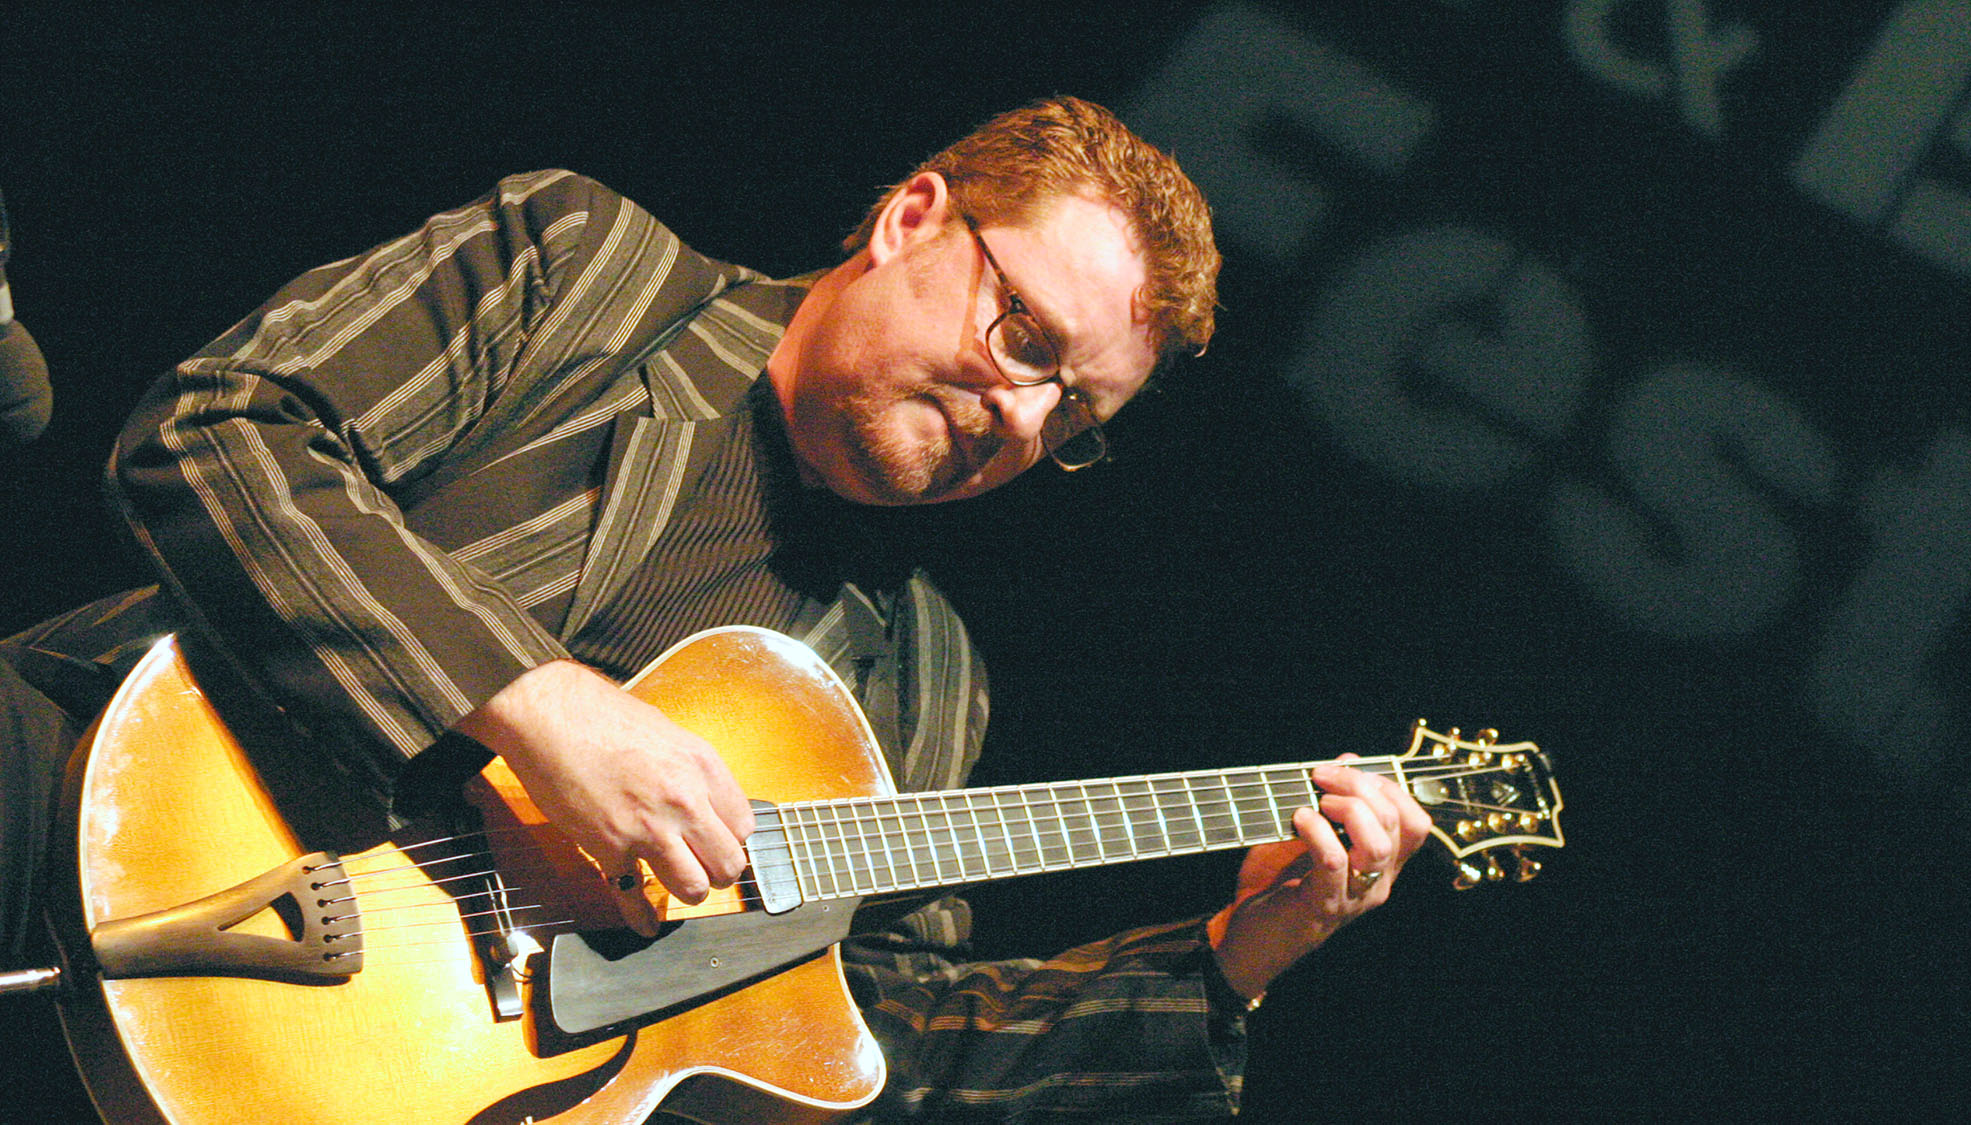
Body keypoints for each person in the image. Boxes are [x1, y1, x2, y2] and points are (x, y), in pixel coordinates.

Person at [2, 97, 1429, 1120]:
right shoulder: (587, 276)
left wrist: (1229, 963)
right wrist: (537, 703)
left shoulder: (928, 684)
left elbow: (878, 1035)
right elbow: (218, 432)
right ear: (913, 214)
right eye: (1025, 335)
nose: (1024, 414)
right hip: (81, 809)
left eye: (1076, 414)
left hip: (350, 1092)